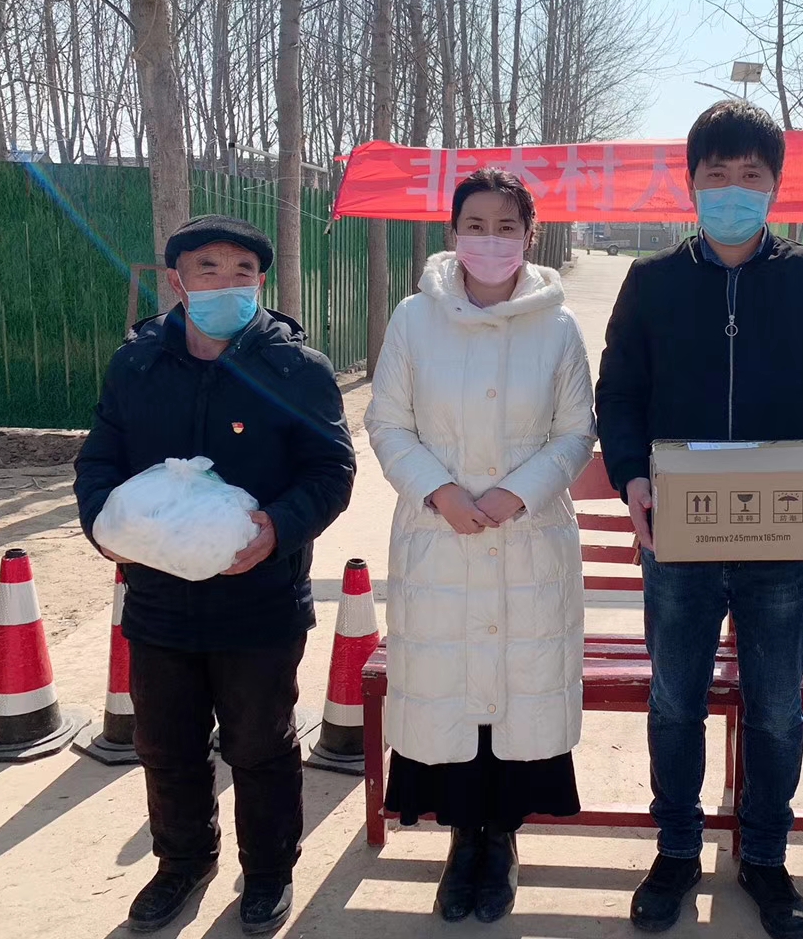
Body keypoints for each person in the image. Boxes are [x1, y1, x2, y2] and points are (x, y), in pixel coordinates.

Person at [596, 100, 803, 939]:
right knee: (674, 703)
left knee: (776, 709)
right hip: (677, 538)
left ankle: (764, 855)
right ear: (691, 184)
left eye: (748, 175)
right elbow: (620, 394)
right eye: (715, 174)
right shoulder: (652, 282)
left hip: (780, 540)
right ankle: (676, 850)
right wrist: (631, 475)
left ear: (774, 186)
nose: (731, 189)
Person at [74, 215, 356, 935]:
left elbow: (330, 470)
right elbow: (99, 458)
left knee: (259, 745)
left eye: (243, 271)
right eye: (208, 268)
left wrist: (278, 528)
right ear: (177, 280)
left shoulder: (296, 369)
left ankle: (267, 873)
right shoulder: (137, 364)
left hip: (259, 596)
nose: (227, 282)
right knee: (164, 744)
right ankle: (182, 862)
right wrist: (104, 526)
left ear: (261, 281)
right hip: (159, 599)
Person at [364, 168, 596, 924]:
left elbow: (576, 430)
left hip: (529, 539)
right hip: (441, 536)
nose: (490, 240)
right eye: (475, 224)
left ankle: (502, 842)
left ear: (531, 235)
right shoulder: (414, 319)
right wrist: (439, 491)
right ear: (452, 232)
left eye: (506, 226)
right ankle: (463, 840)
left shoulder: (557, 326)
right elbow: (388, 422)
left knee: (518, 691)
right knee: (451, 690)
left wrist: (518, 493)